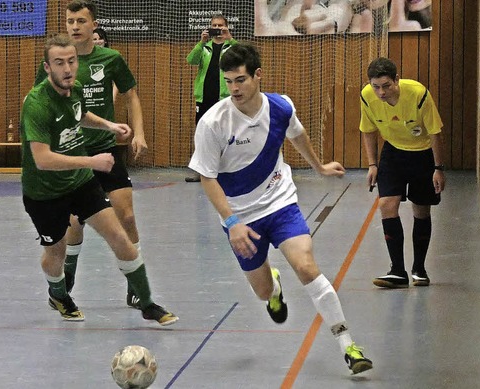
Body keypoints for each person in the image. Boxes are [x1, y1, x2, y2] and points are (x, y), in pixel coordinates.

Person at [189, 43, 373, 374]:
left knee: (305, 266)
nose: (234, 89)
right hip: (240, 219)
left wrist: (318, 167)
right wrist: (231, 222)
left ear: (257, 75)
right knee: (261, 292)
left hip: (280, 201)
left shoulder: (280, 107)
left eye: (241, 80)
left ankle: (349, 346)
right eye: (229, 81)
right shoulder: (214, 122)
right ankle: (274, 286)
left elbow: (298, 136)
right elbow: (207, 177)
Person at [23, 33, 177, 326]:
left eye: (71, 61)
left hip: (80, 182)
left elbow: (79, 115)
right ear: (47, 68)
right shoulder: (36, 104)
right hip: (45, 191)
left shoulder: (76, 88)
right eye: (59, 63)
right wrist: (92, 161)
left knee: (118, 234)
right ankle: (58, 293)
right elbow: (42, 160)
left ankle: (146, 303)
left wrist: (109, 125)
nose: (67, 69)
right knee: (55, 254)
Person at [360, 57, 445, 288]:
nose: (381, 92)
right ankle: (397, 271)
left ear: (397, 79)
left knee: (421, 210)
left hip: (423, 153)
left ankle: (419, 268)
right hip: (393, 152)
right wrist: (372, 164)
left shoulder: (418, 94)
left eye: (386, 86)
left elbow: (435, 132)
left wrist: (438, 168)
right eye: (376, 87)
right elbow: (367, 130)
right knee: (386, 204)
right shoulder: (367, 96)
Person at [185, 13, 237, 182]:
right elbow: (190, 60)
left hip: (223, 99)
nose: (217, 29)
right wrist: (201, 43)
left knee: (226, 134)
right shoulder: (205, 47)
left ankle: (226, 171)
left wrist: (230, 39)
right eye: (214, 26)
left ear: (226, 27)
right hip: (204, 98)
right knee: (202, 133)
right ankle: (201, 171)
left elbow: (243, 57)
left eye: (220, 26)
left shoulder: (231, 47)